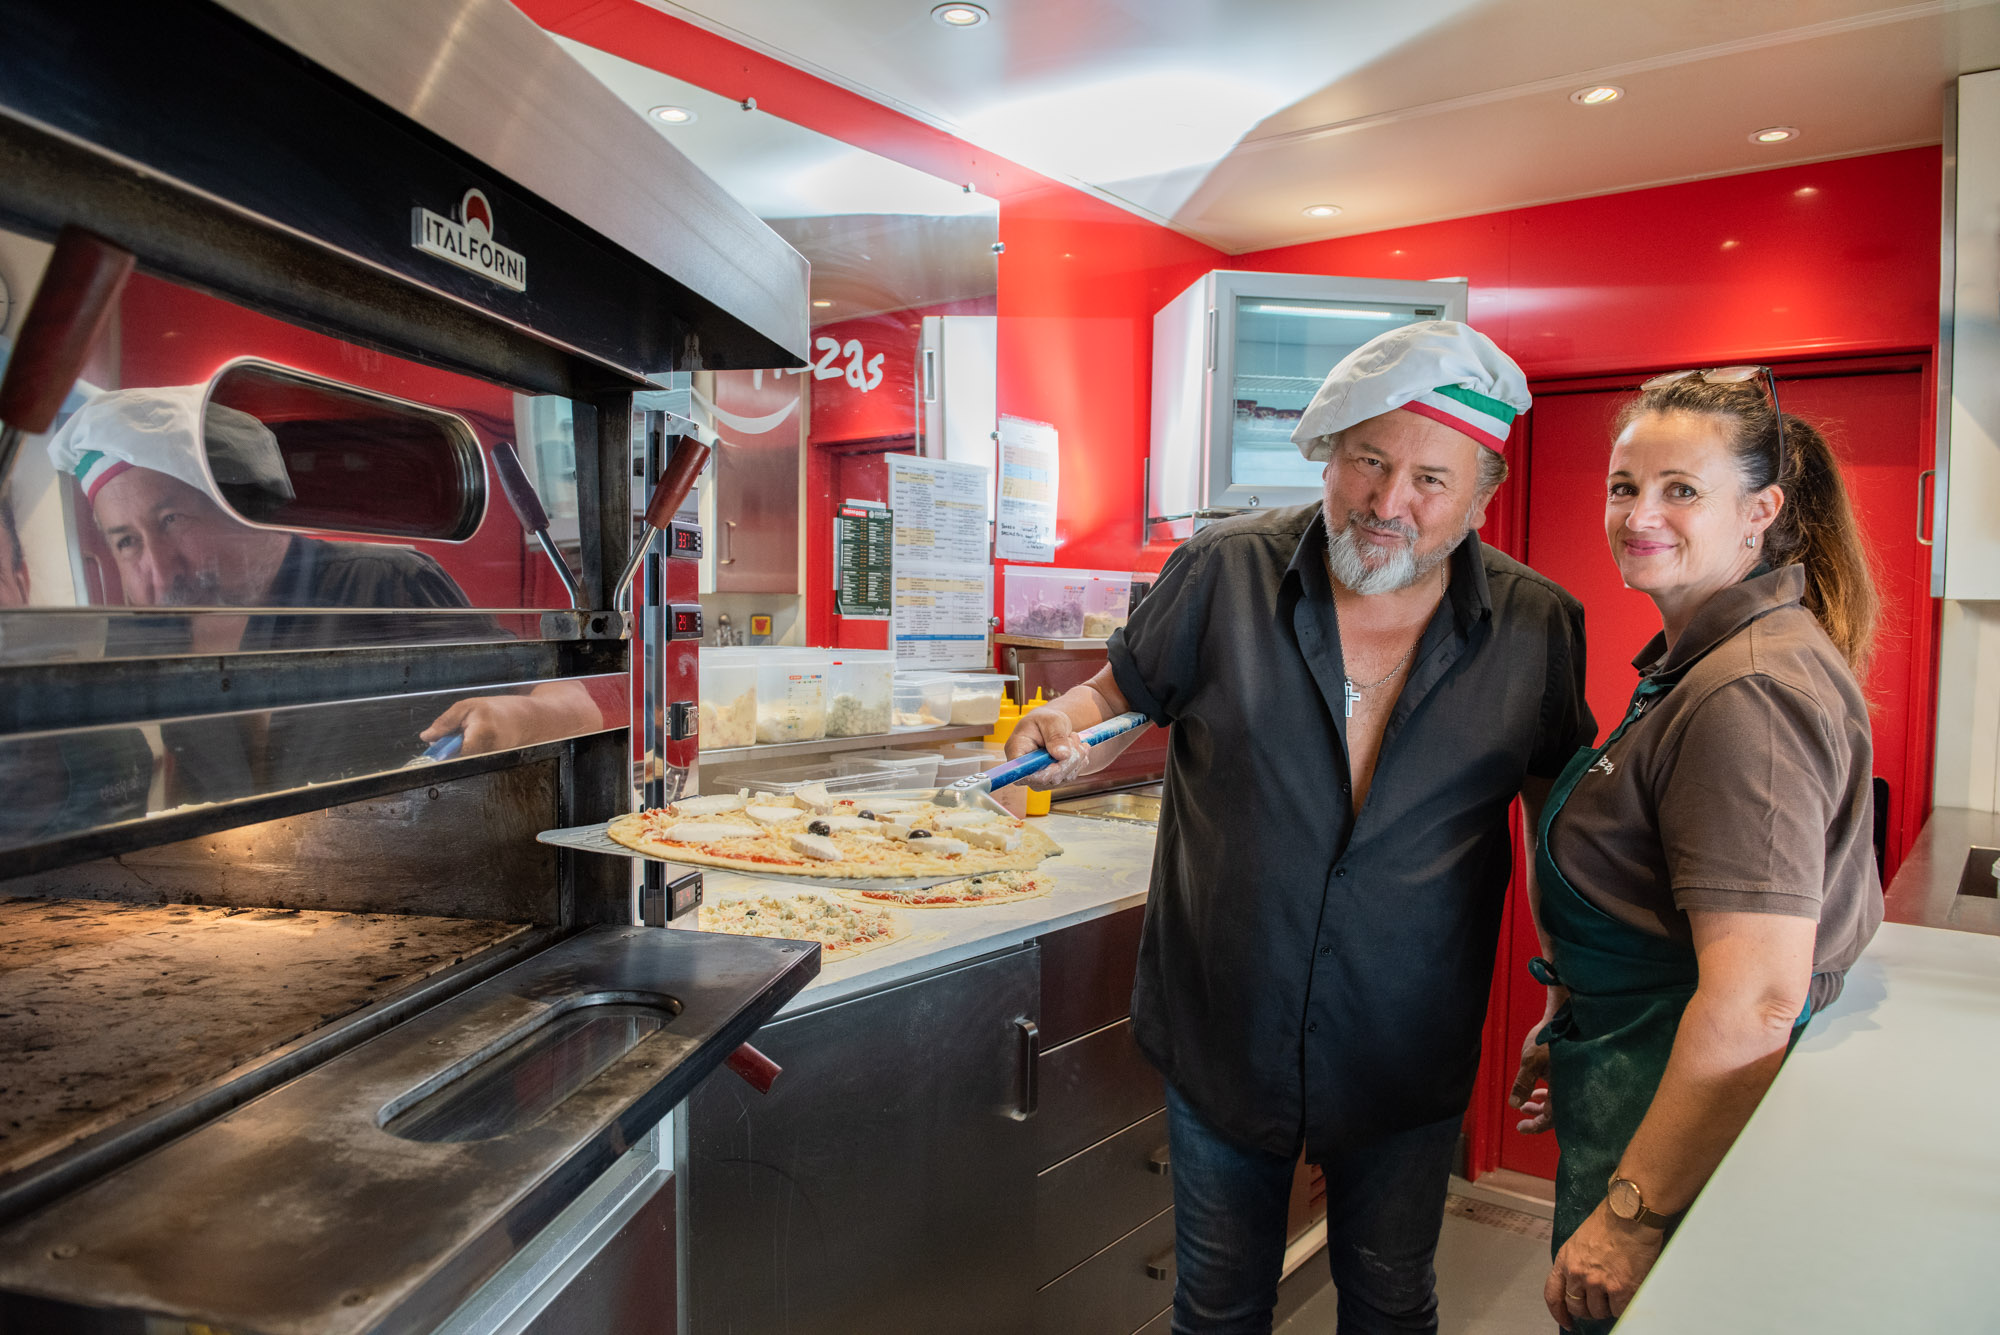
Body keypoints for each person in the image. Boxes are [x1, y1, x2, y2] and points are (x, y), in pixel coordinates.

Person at [1006, 321, 1595, 1335]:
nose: (1387, 502)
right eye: (1367, 461)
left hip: (1404, 1037)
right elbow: (1118, 692)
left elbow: (1551, 819)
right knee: (1218, 1306)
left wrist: (1569, 988)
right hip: (1223, 1025)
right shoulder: (1221, 569)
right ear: (1330, 455)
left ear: (1480, 497)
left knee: (1389, 1304)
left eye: (1429, 480)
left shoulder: (1536, 625)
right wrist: (1065, 721)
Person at [1506, 368, 1883, 1332]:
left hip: (1679, 1137)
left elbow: (1757, 998)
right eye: (1625, 486)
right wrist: (1576, 1008)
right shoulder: (1705, 663)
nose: (1641, 514)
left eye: (1683, 490)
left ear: (1760, 512)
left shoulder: (1743, 695)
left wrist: (1630, 1220)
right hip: (1641, 1066)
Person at [43, 386, 599, 790]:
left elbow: (574, 702)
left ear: (245, 506)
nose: (160, 573)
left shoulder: (383, 585)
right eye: (126, 542)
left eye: (172, 522)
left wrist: (518, 720)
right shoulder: (154, 637)